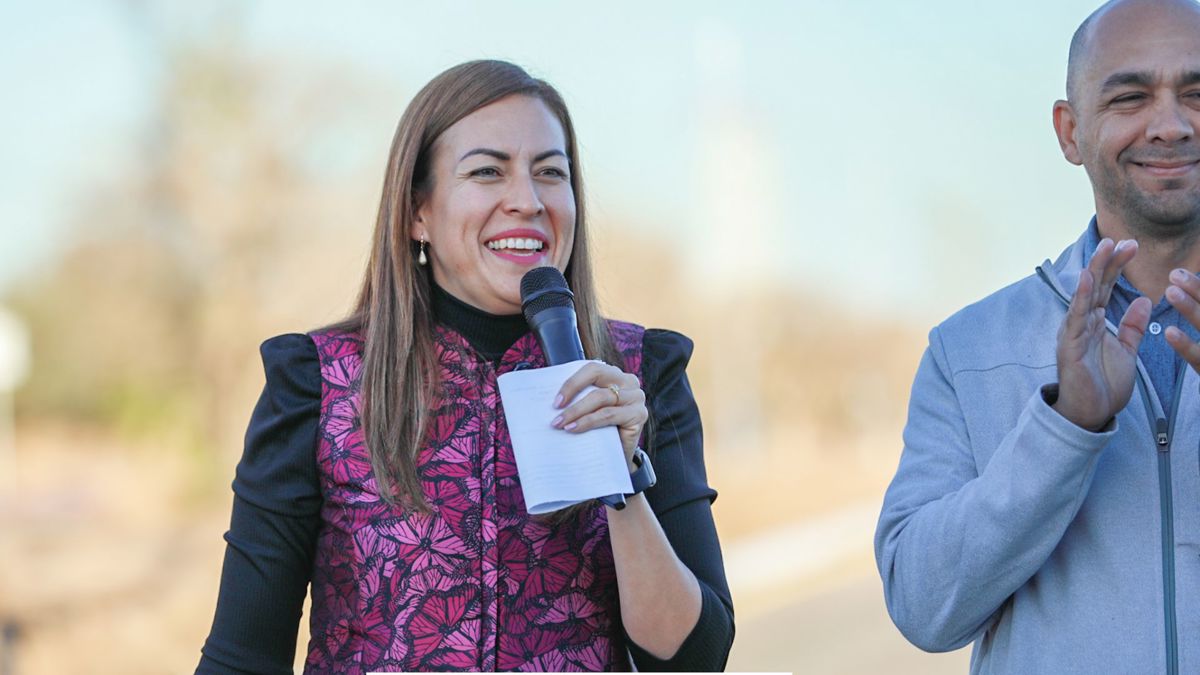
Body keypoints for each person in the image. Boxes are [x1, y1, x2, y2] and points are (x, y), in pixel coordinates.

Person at [197, 60, 734, 673]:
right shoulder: (316, 383)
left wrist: (623, 477)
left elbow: (694, 659)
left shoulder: (641, 372)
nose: (527, 201)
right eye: (487, 172)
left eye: (550, 173)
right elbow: (243, 656)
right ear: (416, 212)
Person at [875, 0, 1200, 672]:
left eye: (1197, 94)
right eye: (1131, 96)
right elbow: (924, 608)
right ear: (1069, 130)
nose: (1169, 125)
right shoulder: (966, 352)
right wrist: (1066, 427)